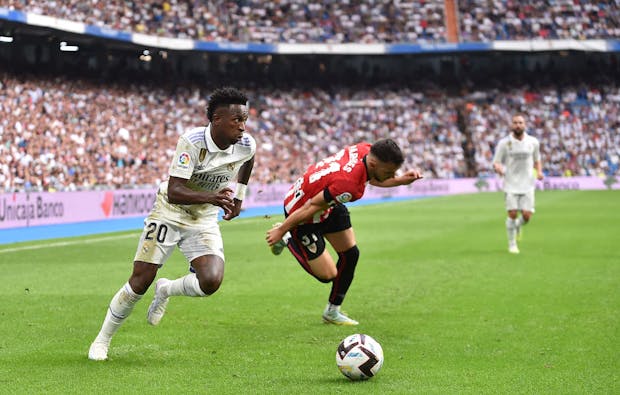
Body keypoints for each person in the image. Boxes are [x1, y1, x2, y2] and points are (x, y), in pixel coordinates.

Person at [88, 87, 256, 360]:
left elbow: (248, 162)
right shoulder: (192, 142)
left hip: (202, 216)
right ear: (216, 120)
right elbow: (175, 190)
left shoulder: (247, 144)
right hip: (170, 211)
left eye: (245, 119)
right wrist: (213, 196)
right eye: (236, 120)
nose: (242, 126)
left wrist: (239, 196)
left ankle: (166, 289)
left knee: (211, 281)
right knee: (141, 279)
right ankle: (102, 340)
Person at [265, 139, 423, 325]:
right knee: (328, 275)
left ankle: (332, 312)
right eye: (389, 172)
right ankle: (288, 237)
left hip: (328, 203)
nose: (392, 175)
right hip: (302, 213)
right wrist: (284, 227)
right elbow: (311, 206)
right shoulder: (348, 185)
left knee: (351, 254)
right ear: (373, 163)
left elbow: (371, 177)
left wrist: (400, 180)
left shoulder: (366, 150)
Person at [492, 113, 543, 254]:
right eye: (515, 122)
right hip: (510, 184)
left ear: (525, 124)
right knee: (512, 213)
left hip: (528, 184)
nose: (518, 125)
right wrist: (498, 168)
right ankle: (512, 244)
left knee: (526, 216)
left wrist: (539, 172)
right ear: (511, 125)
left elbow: (537, 159)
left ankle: (518, 226)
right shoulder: (504, 143)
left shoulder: (533, 142)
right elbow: (496, 161)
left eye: (520, 122)